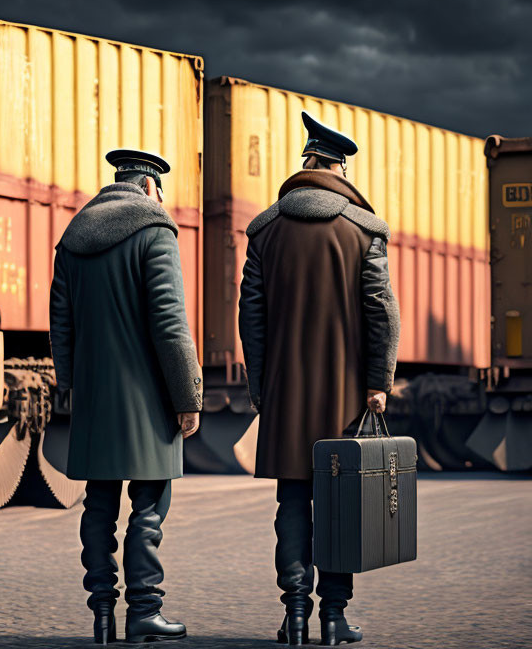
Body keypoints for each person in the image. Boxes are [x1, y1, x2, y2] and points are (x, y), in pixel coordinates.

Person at [238, 112, 400, 646]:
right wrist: (378, 381)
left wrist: (262, 387)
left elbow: (251, 317)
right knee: (340, 502)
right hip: (346, 395)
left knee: (291, 502)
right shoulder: (363, 229)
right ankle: (333, 616)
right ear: (341, 167)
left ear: (305, 164)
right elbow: (382, 313)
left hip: (285, 392)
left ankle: (295, 615)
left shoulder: (264, 229)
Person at [49, 148, 202, 645]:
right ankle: (145, 610)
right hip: (147, 400)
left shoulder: (73, 238)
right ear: (150, 186)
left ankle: (101, 614)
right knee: (149, 508)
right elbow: (170, 324)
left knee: (97, 506)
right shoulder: (154, 229)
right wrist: (187, 395)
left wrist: (71, 387)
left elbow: (61, 326)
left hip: (95, 400)